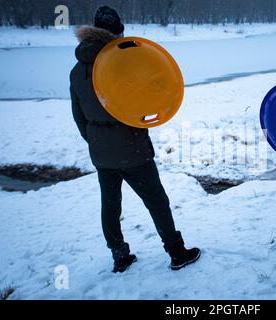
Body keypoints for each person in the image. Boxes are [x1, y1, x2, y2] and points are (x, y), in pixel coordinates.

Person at [69, 6, 201, 273]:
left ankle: (120, 256)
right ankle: (176, 252)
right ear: (117, 32)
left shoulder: (77, 71)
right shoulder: (123, 63)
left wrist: (96, 140)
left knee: (110, 204)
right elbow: (146, 99)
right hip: (132, 148)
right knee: (156, 200)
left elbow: (79, 116)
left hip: (101, 152)